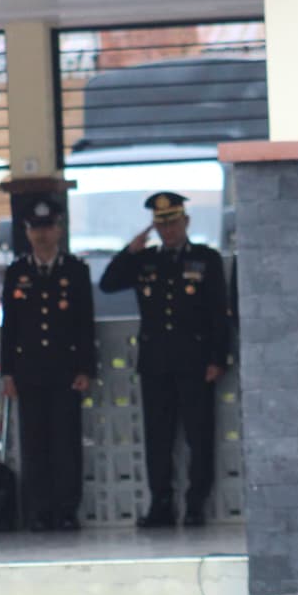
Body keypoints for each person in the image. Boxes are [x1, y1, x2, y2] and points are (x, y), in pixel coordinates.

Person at [99, 192, 229, 528]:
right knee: (158, 437)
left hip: (196, 363)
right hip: (156, 363)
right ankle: (162, 503)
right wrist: (131, 250)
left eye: (172, 222)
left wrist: (218, 357)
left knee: (199, 437)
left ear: (185, 222)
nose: (167, 230)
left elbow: (219, 312)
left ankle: (196, 503)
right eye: (161, 224)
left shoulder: (205, 259)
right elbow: (109, 283)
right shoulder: (146, 261)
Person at [0, 198, 95, 532]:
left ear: (59, 229)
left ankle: (67, 510)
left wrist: (85, 368)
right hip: (29, 372)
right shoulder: (17, 272)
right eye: (35, 229)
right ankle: (38, 511)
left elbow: (85, 324)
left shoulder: (75, 270)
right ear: (27, 232)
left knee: (66, 444)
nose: (42, 235)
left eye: (48, 228)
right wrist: (7, 372)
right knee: (34, 444)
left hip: (66, 370)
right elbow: (9, 327)